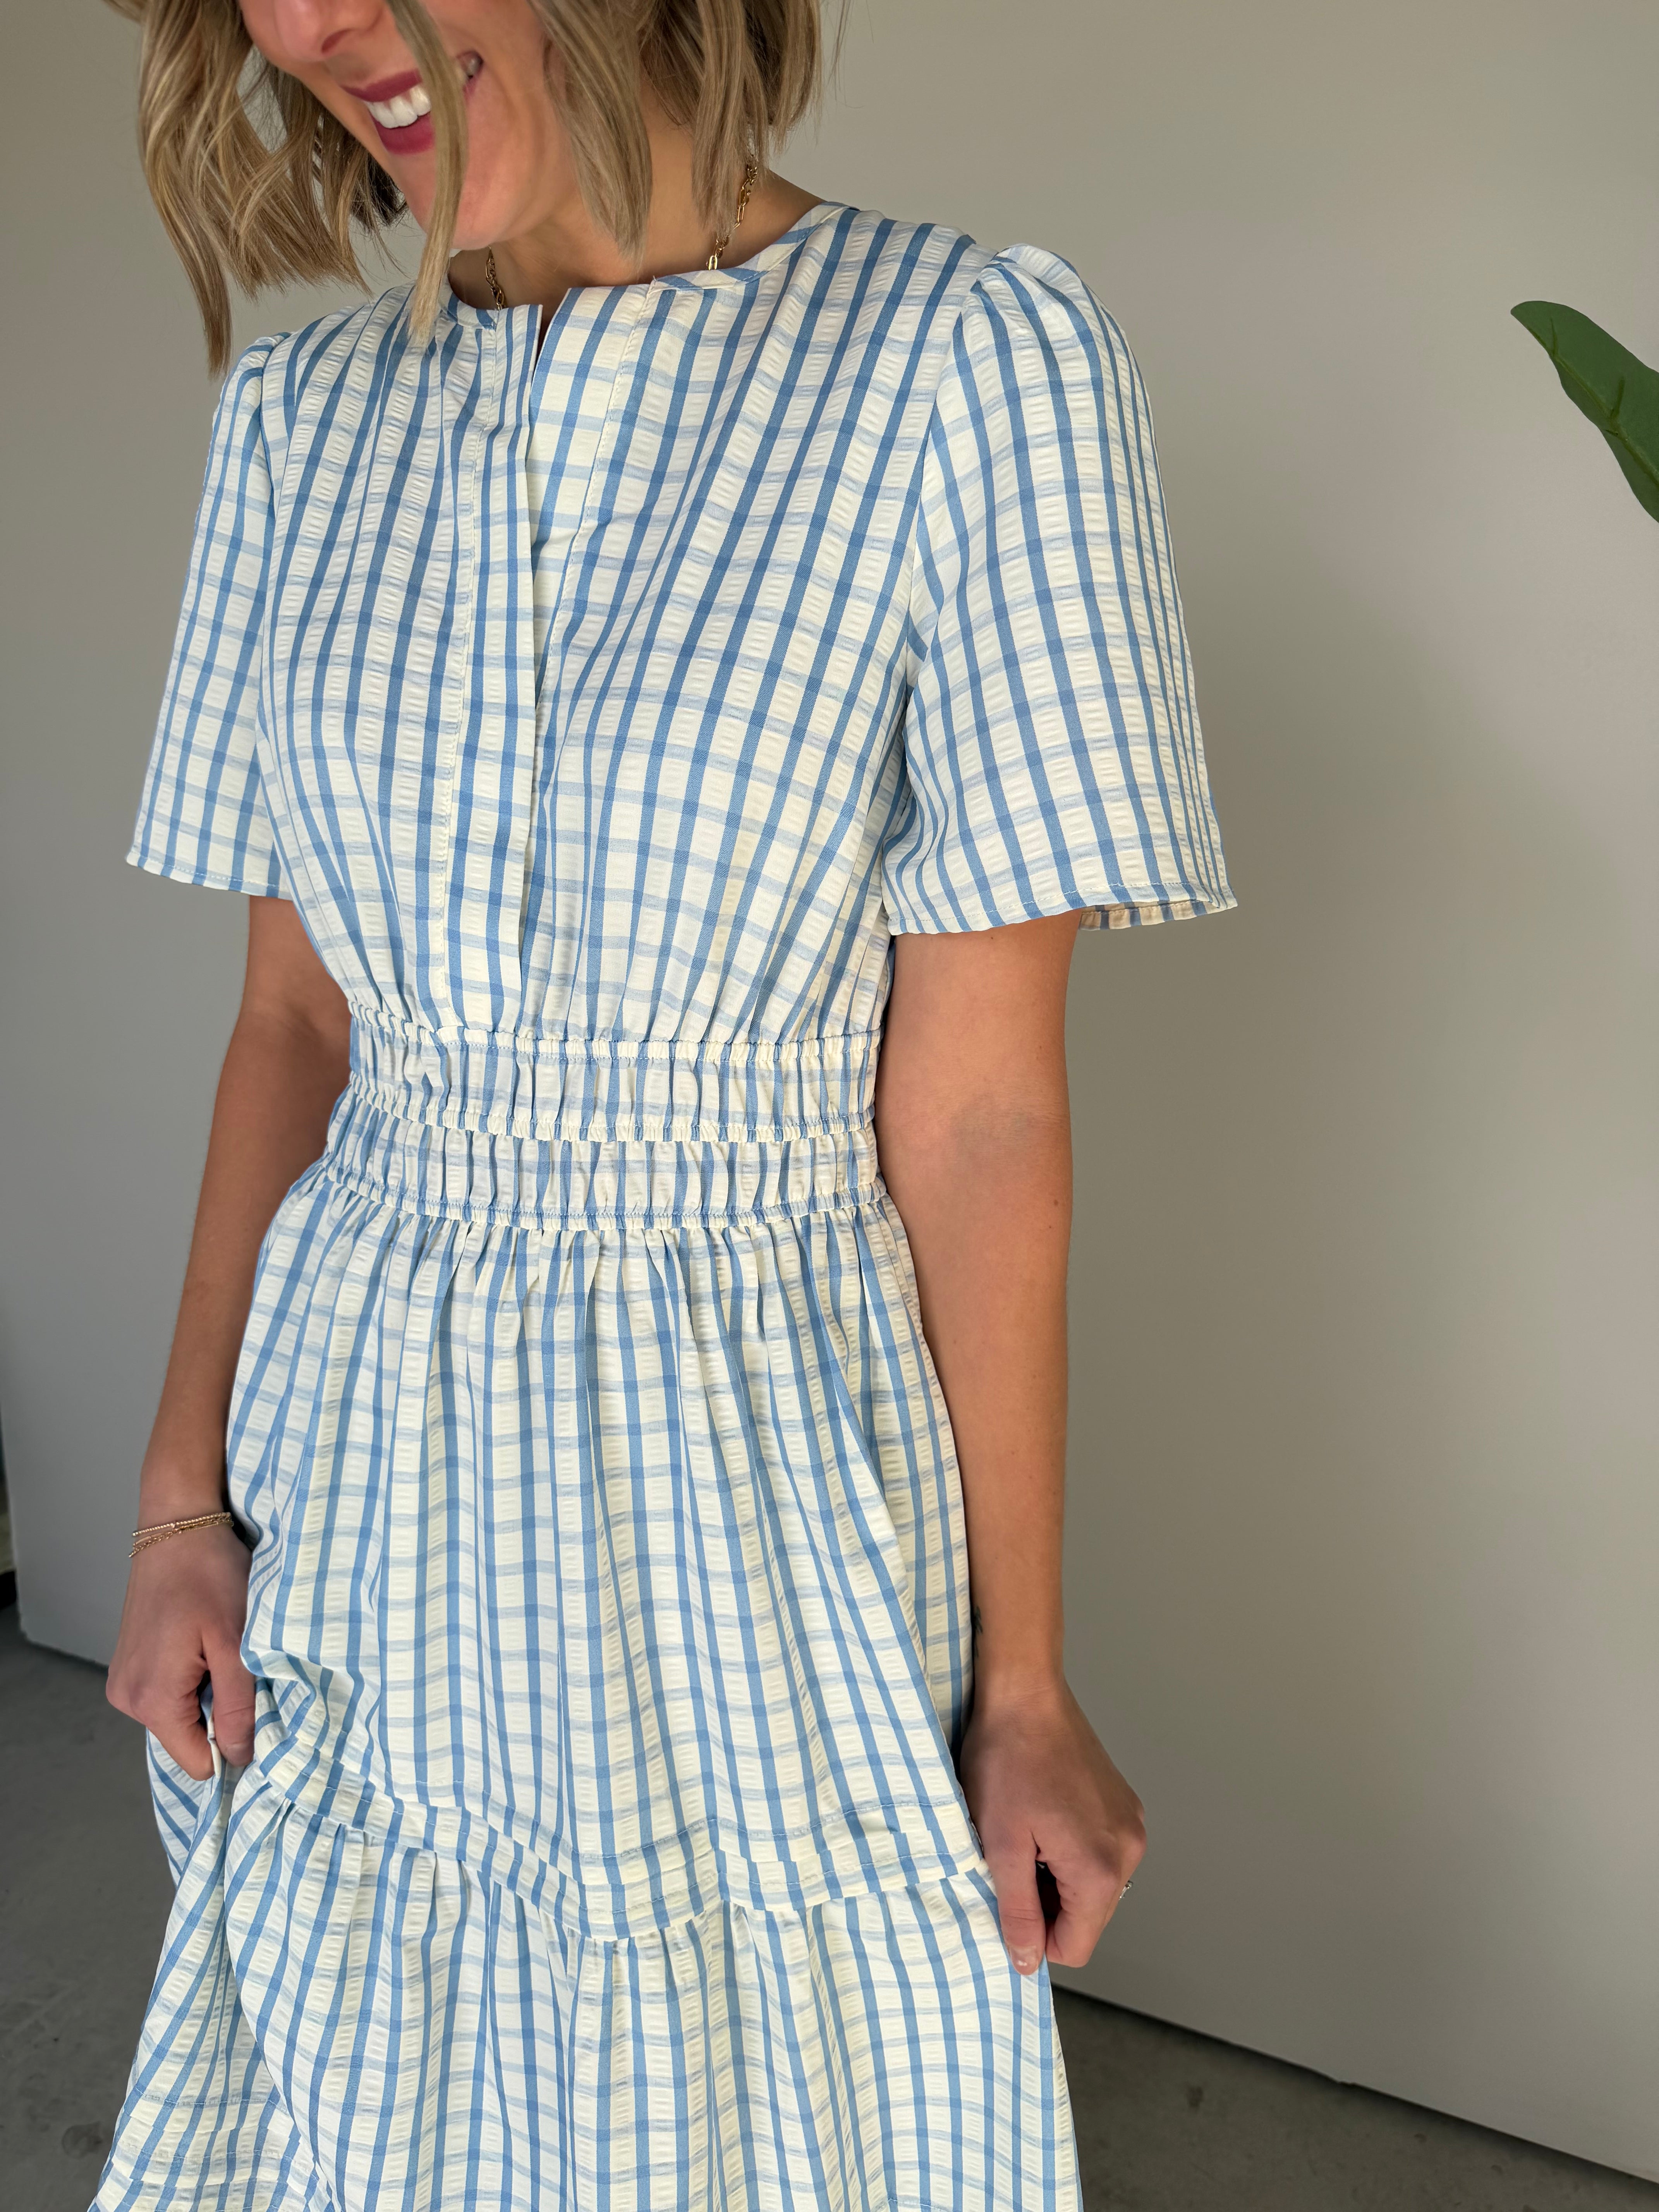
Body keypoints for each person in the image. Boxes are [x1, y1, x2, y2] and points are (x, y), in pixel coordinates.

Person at [97, 1, 1235, 2204]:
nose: (310, 21)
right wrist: (174, 1511)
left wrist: (1023, 1683)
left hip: (755, 1481)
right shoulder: (299, 430)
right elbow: (296, 1029)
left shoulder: (966, 366)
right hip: (363, 1470)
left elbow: (978, 1113)